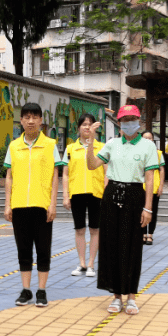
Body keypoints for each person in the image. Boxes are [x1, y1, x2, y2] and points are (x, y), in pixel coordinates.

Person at [87, 104, 157, 315]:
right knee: (111, 246)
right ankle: (116, 296)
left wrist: (148, 209)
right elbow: (92, 165)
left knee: (133, 246)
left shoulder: (147, 146)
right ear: (118, 123)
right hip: (112, 195)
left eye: (132, 120)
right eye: (124, 120)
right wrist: (90, 140)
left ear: (139, 122)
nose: (128, 124)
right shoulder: (111, 144)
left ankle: (132, 297)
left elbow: (150, 178)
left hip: (135, 196)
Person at [4, 101, 64, 307]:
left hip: (42, 204)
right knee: (23, 249)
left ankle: (41, 290)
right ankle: (26, 290)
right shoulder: (13, 146)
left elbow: (55, 176)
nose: (30, 121)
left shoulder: (50, 145)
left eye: (34, 117)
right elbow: (9, 177)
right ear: (20, 121)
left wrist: (53, 204)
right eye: (26, 117)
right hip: (19, 204)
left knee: (43, 248)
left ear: (40, 121)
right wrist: (7, 204)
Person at [62, 114, 106, 277]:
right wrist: (66, 195)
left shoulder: (101, 147)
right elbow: (65, 174)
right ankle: (81, 264)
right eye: (84, 124)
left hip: (97, 192)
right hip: (77, 193)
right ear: (78, 128)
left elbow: (107, 172)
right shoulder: (70, 149)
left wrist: (106, 192)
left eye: (90, 124)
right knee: (79, 229)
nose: (87, 127)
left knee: (95, 229)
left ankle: (91, 264)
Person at [141, 131, 165, 245]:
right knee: (140, 211)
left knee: (152, 211)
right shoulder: (138, 152)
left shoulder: (158, 153)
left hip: (154, 186)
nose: (147, 140)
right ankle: (142, 234)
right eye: (145, 138)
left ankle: (149, 234)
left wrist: (161, 186)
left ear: (153, 140)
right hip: (140, 186)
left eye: (150, 138)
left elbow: (162, 170)